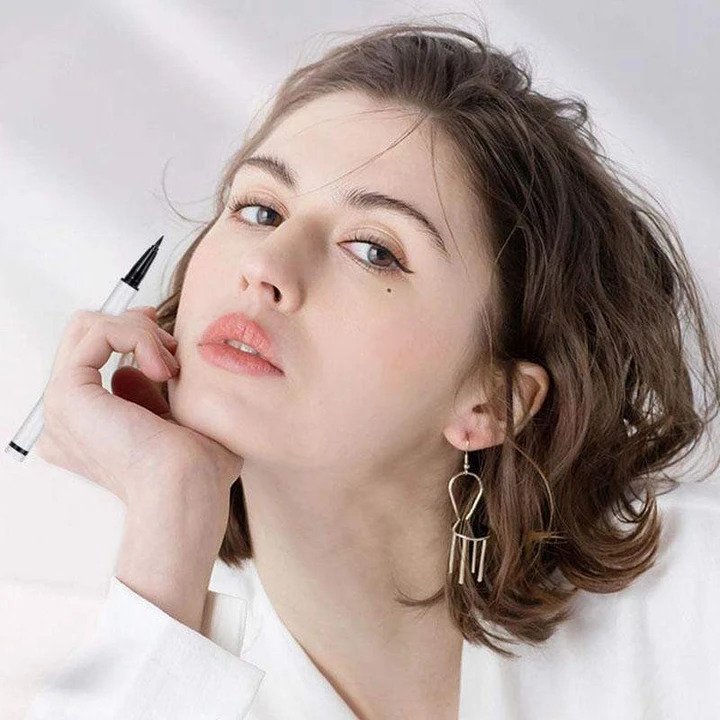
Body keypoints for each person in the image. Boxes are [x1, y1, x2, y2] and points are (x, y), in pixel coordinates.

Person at [23, 17, 720, 720]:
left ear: (492, 401)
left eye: (374, 251)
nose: (265, 265)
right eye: (259, 210)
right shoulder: (98, 621)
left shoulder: (693, 608)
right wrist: (171, 520)